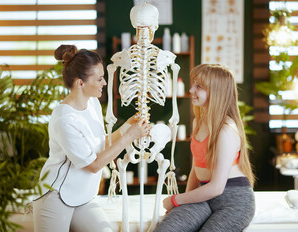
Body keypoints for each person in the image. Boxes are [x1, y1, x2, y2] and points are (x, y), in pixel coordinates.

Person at [33, 45, 150, 232]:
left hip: (82, 197)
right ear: (80, 83)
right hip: (56, 196)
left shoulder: (92, 103)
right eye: (100, 79)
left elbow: (100, 143)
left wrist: (127, 126)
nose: (104, 83)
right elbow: (94, 164)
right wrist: (129, 136)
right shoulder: (64, 119)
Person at [154, 64, 255, 232]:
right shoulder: (198, 122)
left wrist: (175, 200)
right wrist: (183, 202)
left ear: (216, 92)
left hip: (234, 202)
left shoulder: (226, 129)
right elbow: (197, 167)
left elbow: (217, 187)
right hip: (205, 195)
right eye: (193, 84)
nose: (191, 90)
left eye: (198, 86)